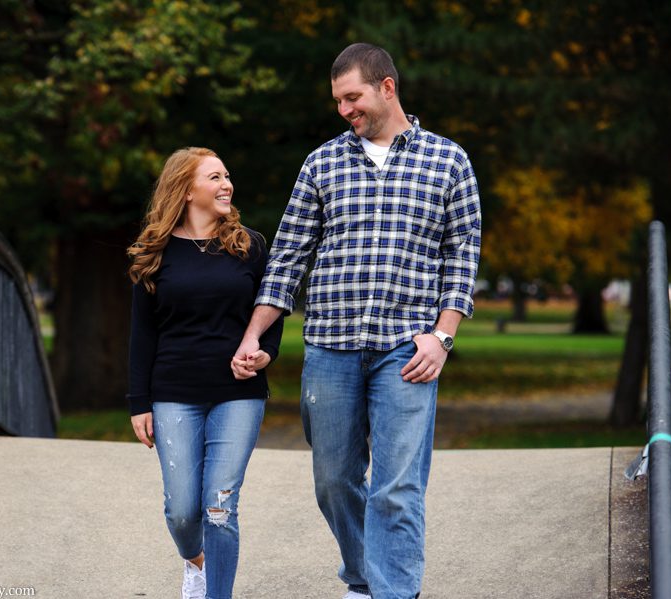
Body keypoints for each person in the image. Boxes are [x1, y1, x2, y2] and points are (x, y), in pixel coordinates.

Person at [231, 43, 481, 599]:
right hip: (330, 345)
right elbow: (289, 258)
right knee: (333, 480)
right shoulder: (322, 163)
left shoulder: (448, 160)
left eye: (353, 97)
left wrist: (443, 337)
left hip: (407, 347)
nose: (344, 109)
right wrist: (253, 334)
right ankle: (365, 576)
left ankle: (394, 591)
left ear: (386, 87)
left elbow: (463, 254)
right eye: (338, 100)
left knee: (397, 486)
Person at [126, 147, 283, 599]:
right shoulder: (153, 252)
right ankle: (196, 563)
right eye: (214, 177)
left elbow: (270, 313)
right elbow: (142, 335)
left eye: (227, 175)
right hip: (173, 392)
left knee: (219, 507)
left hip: (238, 394)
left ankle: (217, 593)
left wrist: (265, 355)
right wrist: (139, 402)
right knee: (181, 510)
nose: (226, 185)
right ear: (187, 189)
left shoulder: (250, 246)